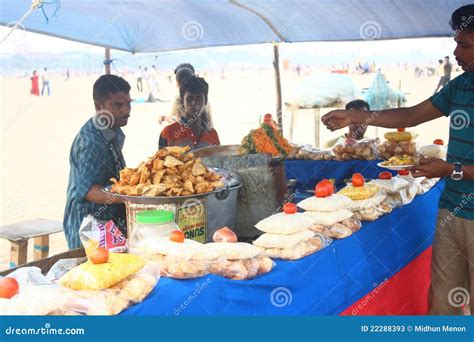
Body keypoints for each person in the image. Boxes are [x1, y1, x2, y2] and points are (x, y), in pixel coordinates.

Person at [322, 4, 474, 315]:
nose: (456, 51)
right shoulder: (461, 85)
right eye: (456, 41)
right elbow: (414, 114)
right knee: (444, 306)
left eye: (465, 45)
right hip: (452, 209)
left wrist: (450, 169)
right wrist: (357, 114)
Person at [63, 74, 132, 249]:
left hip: (108, 225)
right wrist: (131, 197)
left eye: (128, 103)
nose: (126, 111)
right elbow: (88, 191)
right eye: (117, 105)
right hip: (88, 229)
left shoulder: (110, 129)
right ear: (98, 106)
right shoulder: (91, 142)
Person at [158, 76, 219, 150]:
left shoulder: (213, 135)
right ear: (182, 102)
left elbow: (219, 160)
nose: (194, 103)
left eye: (199, 99)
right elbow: (159, 160)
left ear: (205, 101)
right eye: (189, 99)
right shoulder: (168, 133)